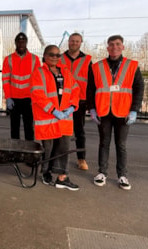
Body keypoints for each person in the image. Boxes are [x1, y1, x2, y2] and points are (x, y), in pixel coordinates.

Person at [87, 34, 144, 190]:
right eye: (111, 44)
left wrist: (134, 110)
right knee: (104, 143)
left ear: (123, 47)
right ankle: (102, 173)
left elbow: (139, 89)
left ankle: (122, 176)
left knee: (121, 145)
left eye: (118, 44)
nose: (114, 47)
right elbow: (90, 89)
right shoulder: (97, 67)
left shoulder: (132, 66)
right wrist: (91, 108)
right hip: (103, 111)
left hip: (123, 112)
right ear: (107, 47)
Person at [31, 45, 80, 191]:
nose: (55, 57)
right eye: (51, 54)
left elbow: (75, 90)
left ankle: (61, 177)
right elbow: (37, 95)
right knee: (49, 148)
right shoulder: (39, 73)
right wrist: (53, 110)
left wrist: (72, 106)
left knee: (63, 148)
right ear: (45, 56)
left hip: (64, 118)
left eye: (57, 55)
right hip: (48, 118)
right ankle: (46, 172)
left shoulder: (65, 72)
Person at [60, 33, 93, 170]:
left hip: (80, 100)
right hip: (63, 100)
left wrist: (90, 103)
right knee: (61, 131)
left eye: (77, 41)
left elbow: (91, 83)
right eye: (72, 41)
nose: (74, 43)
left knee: (79, 131)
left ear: (81, 43)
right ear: (68, 42)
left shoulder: (87, 60)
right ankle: (59, 157)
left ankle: (81, 159)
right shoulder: (60, 58)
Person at [2, 32, 41, 141]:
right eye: (19, 42)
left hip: (29, 99)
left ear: (26, 43)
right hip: (14, 99)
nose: (21, 44)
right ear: (15, 43)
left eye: (23, 42)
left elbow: (38, 81)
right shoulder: (8, 59)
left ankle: (29, 151)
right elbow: (5, 80)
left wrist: (35, 98)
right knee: (14, 127)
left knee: (29, 127)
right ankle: (15, 150)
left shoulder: (34, 59)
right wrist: (8, 97)